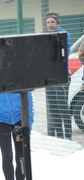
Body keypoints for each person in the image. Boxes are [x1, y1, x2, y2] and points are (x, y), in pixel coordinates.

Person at [44, 12, 72, 140]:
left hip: (61, 75)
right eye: (48, 22)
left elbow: (61, 52)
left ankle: (68, 136)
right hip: (49, 76)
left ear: (58, 23)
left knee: (62, 107)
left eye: (52, 22)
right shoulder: (45, 36)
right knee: (53, 107)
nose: (50, 24)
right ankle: (59, 137)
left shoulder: (64, 34)